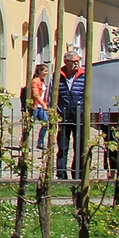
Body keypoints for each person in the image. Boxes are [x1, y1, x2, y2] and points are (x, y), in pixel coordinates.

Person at [56, 50, 86, 180]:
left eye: (77, 61)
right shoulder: (58, 76)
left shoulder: (84, 75)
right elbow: (53, 94)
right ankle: (61, 174)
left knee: (79, 147)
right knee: (62, 147)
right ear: (66, 62)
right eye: (73, 62)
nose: (76, 64)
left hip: (79, 117)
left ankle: (78, 173)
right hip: (63, 116)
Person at [29, 62, 50, 150]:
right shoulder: (35, 81)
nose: (46, 73)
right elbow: (36, 95)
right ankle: (24, 142)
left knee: (45, 123)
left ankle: (40, 142)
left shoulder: (42, 81)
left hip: (40, 107)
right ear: (40, 71)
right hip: (35, 106)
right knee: (30, 125)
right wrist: (43, 104)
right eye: (45, 71)